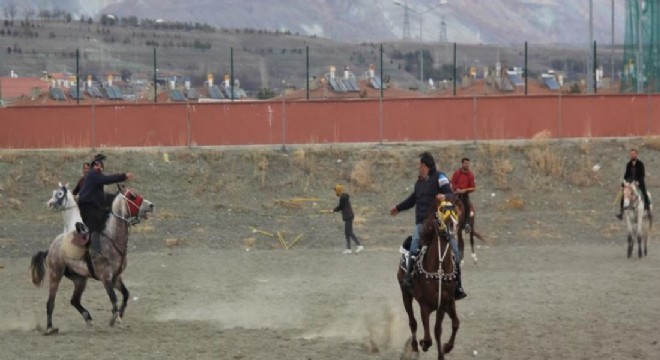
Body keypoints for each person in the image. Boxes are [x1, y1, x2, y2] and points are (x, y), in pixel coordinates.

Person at [390, 151, 467, 300]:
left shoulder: (440, 177)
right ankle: (408, 279)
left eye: (420, 164)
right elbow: (412, 200)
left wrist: (444, 196)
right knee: (414, 245)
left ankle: (458, 285)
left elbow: (451, 195)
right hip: (421, 223)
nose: (418, 167)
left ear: (425, 165)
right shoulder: (419, 183)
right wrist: (398, 208)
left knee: (454, 248)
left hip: (438, 222)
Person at [78, 154, 135, 253]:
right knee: (94, 229)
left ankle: (101, 246)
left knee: (106, 218)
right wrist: (124, 176)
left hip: (94, 205)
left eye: (101, 166)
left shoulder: (96, 182)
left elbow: (103, 197)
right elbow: (107, 180)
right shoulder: (93, 174)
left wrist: (118, 195)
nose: (99, 167)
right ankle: (94, 253)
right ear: (93, 167)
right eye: (97, 165)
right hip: (88, 206)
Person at [617, 148, 651, 220]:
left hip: (639, 182)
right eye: (631, 154)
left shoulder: (640, 164)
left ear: (636, 154)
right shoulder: (628, 164)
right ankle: (621, 213)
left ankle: (648, 211)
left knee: (644, 194)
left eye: (633, 154)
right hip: (630, 183)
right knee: (623, 195)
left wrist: (638, 181)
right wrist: (622, 185)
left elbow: (642, 175)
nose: (632, 155)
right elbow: (626, 175)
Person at [332, 184, 364, 254]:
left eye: (336, 191)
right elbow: (341, 207)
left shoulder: (343, 198)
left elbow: (340, 207)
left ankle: (359, 245)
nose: (335, 192)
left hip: (349, 216)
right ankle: (348, 249)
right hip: (347, 216)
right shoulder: (343, 197)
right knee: (347, 233)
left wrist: (334, 210)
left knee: (349, 232)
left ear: (338, 191)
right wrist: (335, 209)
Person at [451, 157, 476, 232]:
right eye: (465, 163)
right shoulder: (457, 173)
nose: (467, 165)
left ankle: (467, 224)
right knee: (449, 206)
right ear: (462, 164)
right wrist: (457, 189)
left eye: (468, 164)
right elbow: (452, 183)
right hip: (456, 195)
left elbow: (473, 187)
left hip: (464, 195)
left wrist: (464, 191)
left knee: (468, 208)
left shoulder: (470, 175)